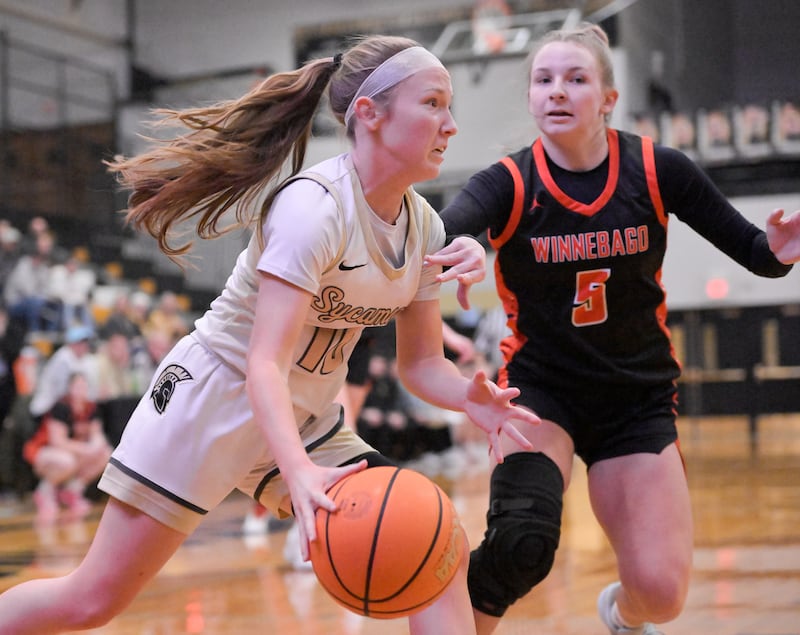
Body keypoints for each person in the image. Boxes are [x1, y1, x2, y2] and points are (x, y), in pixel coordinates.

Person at [0, 35, 540, 634]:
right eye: (434, 103)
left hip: (300, 417)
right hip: (213, 397)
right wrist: (299, 474)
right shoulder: (314, 209)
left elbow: (421, 366)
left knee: (433, 543)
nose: (452, 125)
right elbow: (263, 363)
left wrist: (469, 396)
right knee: (89, 601)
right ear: (370, 114)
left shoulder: (425, 227)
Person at [438, 22, 800, 635]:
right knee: (519, 546)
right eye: (543, 80)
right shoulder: (509, 181)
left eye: (575, 79)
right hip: (538, 394)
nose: (556, 91)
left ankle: (621, 617)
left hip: (634, 399)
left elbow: (757, 254)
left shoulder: (659, 170)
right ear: (530, 97)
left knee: (659, 595)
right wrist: (462, 247)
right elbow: (448, 227)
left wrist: (781, 248)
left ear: (607, 97)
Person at [23, 371, 112, 523]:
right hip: (43, 452)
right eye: (77, 386)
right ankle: (44, 492)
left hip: (72, 453)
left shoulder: (90, 408)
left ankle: (73, 491)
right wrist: (87, 449)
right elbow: (58, 442)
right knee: (67, 461)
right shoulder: (61, 407)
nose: (80, 390)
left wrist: (97, 444)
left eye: (83, 386)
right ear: (69, 388)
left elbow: (97, 435)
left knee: (107, 454)